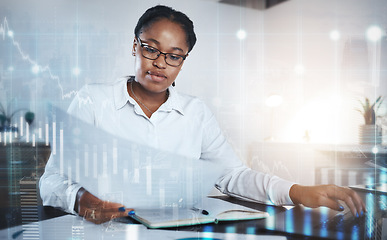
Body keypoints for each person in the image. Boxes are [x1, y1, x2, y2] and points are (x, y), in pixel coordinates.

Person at [40, 5, 366, 224]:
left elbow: (231, 175)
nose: (160, 62)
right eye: (150, 48)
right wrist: (81, 199)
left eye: (174, 56)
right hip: (108, 229)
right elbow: (51, 180)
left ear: (183, 61)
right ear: (134, 46)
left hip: (177, 228)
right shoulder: (92, 101)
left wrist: (298, 192)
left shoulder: (195, 112)